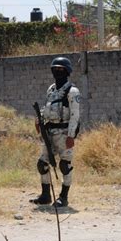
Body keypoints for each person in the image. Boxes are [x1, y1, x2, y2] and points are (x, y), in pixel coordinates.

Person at [30, 57, 81, 208]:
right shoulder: (51, 89)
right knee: (42, 164)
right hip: (49, 131)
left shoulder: (72, 91)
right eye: (55, 69)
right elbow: (47, 107)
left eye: (61, 69)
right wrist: (38, 120)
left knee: (64, 165)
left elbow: (75, 115)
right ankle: (45, 196)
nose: (58, 72)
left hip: (64, 133)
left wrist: (71, 136)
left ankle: (63, 197)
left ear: (67, 71)